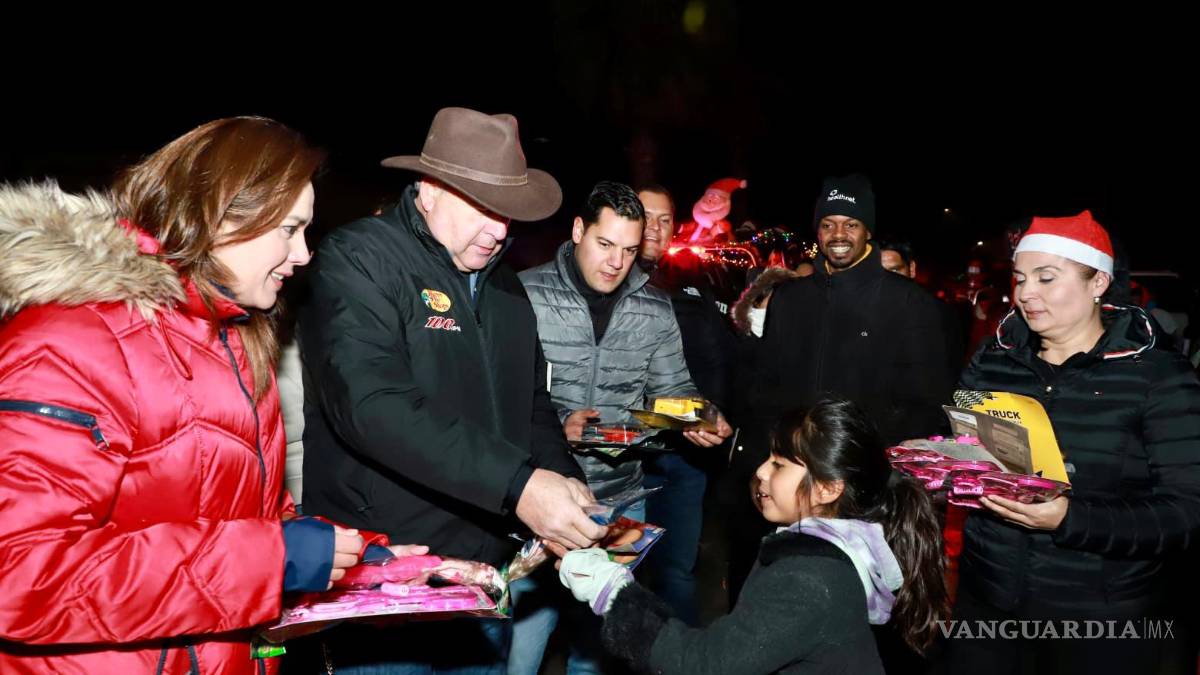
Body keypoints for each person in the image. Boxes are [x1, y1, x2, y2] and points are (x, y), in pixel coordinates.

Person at [0, 117, 362, 673]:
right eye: (289, 229)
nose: (304, 254)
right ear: (219, 215)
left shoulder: (233, 341)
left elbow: (234, 514)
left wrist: (345, 556)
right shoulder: (72, 341)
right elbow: (18, 575)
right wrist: (269, 561)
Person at [298, 107, 603, 673]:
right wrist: (519, 486)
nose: (500, 230)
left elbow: (532, 407)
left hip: (483, 579)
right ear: (430, 189)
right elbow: (371, 405)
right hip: (388, 580)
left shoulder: (507, 288)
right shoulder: (360, 258)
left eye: (506, 213)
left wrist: (565, 483)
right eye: (484, 208)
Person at [944, 210, 1200, 674]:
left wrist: (1069, 518)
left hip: (1101, 618)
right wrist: (945, 464)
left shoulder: (1159, 377)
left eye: (1046, 278)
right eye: (1021, 278)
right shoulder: (992, 361)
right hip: (989, 604)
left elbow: (1186, 511)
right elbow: (969, 457)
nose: (1025, 293)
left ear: (1098, 282)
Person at [511, 181, 731, 674]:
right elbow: (499, 396)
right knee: (521, 649)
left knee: (597, 652)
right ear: (578, 230)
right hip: (537, 498)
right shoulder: (526, 293)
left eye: (629, 250)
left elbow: (673, 388)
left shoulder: (654, 307)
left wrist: (700, 414)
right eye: (605, 244)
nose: (616, 262)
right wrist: (555, 427)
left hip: (619, 502)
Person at [557, 398, 949, 674]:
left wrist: (612, 590)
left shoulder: (809, 579)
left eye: (779, 465)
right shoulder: (838, 551)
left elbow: (703, 665)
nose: (761, 471)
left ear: (828, 489)